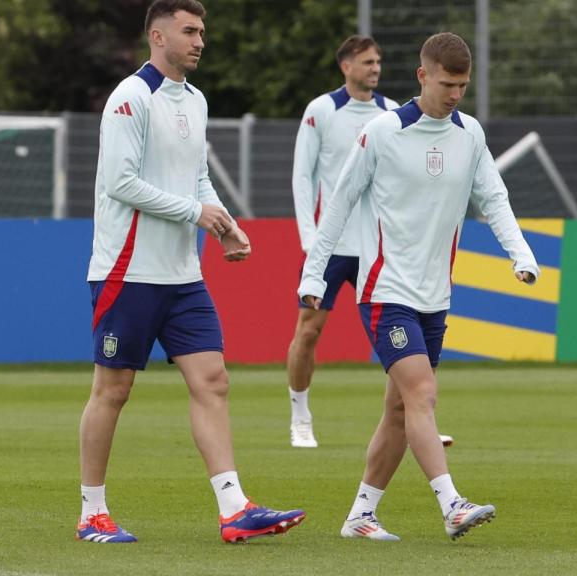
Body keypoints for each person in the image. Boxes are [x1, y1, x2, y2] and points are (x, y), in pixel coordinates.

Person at [78, 0, 305, 545]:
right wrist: (193, 213)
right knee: (113, 390)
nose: (200, 40)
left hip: (183, 276)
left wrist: (223, 222)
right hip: (128, 271)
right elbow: (121, 183)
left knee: (213, 380)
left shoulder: (195, 100)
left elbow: (197, 177)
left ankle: (234, 508)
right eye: (189, 31)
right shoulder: (131, 97)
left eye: (202, 31)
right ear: (158, 36)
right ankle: (92, 513)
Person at [298, 32, 539, 542]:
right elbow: (339, 203)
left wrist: (521, 255)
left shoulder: (469, 134)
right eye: (447, 84)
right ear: (422, 76)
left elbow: (494, 198)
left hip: (435, 297)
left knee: (399, 410)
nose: (455, 94)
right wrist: (313, 274)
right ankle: (452, 504)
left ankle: (360, 516)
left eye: (463, 86)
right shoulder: (383, 132)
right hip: (386, 292)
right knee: (422, 393)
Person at [288, 35, 398, 448]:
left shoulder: (392, 113)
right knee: (309, 331)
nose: (375, 68)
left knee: (399, 332)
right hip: (330, 246)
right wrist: (309, 238)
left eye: (378, 61)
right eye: (368, 62)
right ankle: (300, 417)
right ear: (346, 66)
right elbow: (303, 175)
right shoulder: (321, 110)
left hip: (376, 247)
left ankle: (412, 416)